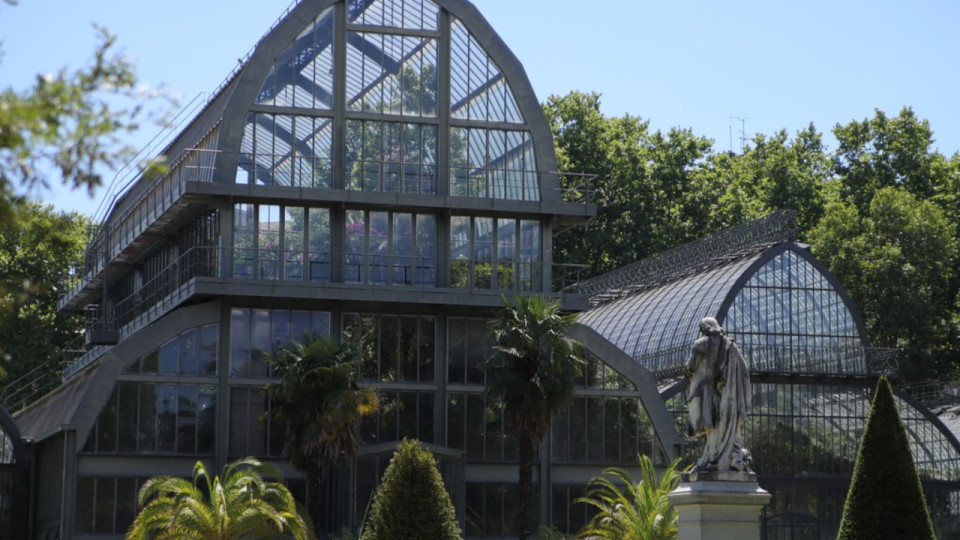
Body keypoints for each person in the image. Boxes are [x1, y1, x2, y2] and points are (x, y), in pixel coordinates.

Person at [684, 317, 752, 471]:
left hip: (705, 393)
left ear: (704, 329)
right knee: (723, 424)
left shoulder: (700, 345)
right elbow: (744, 372)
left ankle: (713, 457)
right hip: (727, 395)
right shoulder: (731, 346)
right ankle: (718, 456)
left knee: (711, 427)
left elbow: (690, 367)